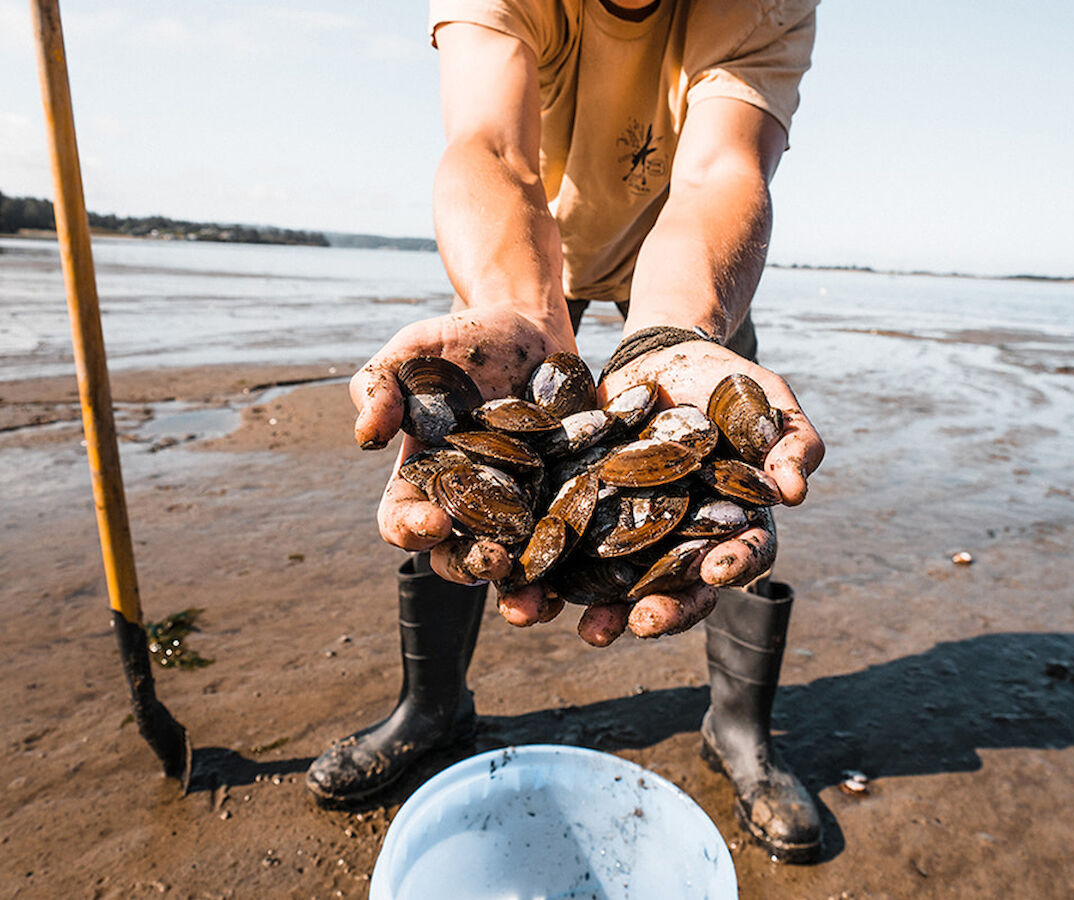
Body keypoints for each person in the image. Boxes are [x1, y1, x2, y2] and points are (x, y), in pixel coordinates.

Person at [307, 0, 827, 863]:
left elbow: (720, 171)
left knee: (732, 479)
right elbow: (490, 147)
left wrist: (673, 332)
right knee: (466, 471)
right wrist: (513, 303)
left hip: (691, 265)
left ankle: (741, 735)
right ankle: (431, 708)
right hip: (528, 245)